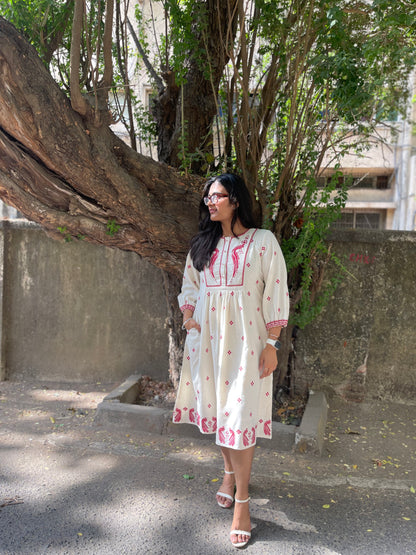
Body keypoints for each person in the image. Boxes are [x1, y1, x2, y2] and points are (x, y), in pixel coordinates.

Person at [173, 173, 289, 548]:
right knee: (221, 415)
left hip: (248, 347)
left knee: (239, 417)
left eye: (218, 196)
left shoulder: (262, 242)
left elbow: (276, 289)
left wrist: (272, 342)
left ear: (235, 200)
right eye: (207, 197)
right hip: (206, 344)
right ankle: (228, 472)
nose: (210, 202)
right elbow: (190, 284)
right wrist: (190, 318)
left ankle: (242, 501)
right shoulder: (202, 245)